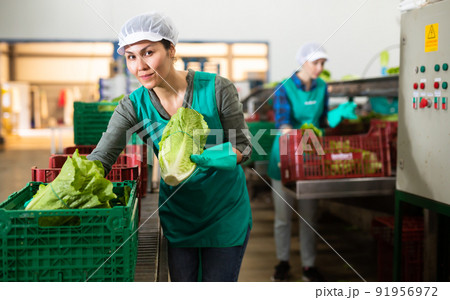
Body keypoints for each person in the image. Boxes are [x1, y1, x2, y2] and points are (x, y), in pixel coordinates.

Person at [87, 12, 252, 282]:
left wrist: (210, 158)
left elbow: (243, 147)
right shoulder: (133, 105)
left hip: (224, 212)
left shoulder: (217, 89)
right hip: (179, 213)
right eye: (131, 56)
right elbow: (102, 157)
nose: (140, 65)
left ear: (172, 49)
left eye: (149, 52)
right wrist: (60, 191)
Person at [267, 42, 356, 282]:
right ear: (303, 62)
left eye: (323, 63)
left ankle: (309, 266)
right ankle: (282, 263)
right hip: (285, 156)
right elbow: (283, 122)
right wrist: (296, 135)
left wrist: (337, 115)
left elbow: (323, 119)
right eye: (316, 62)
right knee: (283, 216)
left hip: (312, 158)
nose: (319, 67)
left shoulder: (322, 87)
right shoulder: (284, 87)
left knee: (309, 216)